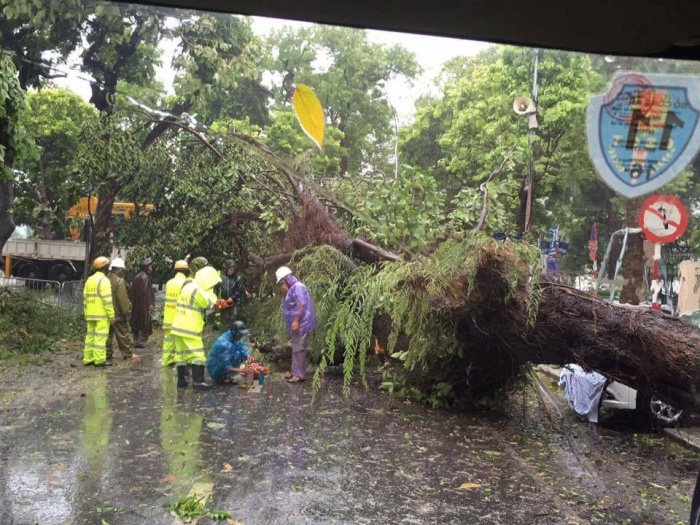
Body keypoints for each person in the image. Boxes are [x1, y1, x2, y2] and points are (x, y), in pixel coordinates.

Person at [171, 265, 222, 389]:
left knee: (181, 355)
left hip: (178, 325)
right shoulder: (197, 289)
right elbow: (208, 303)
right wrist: (213, 295)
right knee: (198, 354)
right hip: (189, 327)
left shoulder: (188, 286)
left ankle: (181, 382)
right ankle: (198, 382)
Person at [275, 266, 316, 383]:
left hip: (301, 323)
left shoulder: (298, 287)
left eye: (281, 282)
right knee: (295, 347)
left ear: (286, 279)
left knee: (298, 349)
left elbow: (301, 304)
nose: (281, 285)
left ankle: (299, 375)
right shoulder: (292, 288)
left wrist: (296, 321)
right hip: (296, 323)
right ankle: (295, 371)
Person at [83, 256, 116, 367]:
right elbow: (107, 300)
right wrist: (111, 316)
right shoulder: (104, 281)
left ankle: (88, 358)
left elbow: (85, 299)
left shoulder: (89, 280)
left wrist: (86, 313)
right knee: (100, 338)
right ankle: (100, 360)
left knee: (90, 337)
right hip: (101, 315)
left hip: (90, 314)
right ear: (105, 267)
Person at [107, 258, 138, 362]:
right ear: (120, 269)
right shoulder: (119, 281)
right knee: (123, 334)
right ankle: (128, 354)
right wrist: (127, 312)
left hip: (108, 312)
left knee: (108, 335)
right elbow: (123, 300)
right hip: (118, 313)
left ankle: (108, 353)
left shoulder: (107, 279)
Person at [206, 320, 253, 385]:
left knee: (238, 353)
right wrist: (242, 370)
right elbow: (224, 366)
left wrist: (247, 355)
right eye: (240, 334)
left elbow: (242, 348)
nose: (241, 336)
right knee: (236, 355)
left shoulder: (235, 338)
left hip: (224, 364)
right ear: (234, 332)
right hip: (215, 369)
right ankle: (222, 377)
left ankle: (230, 375)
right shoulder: (223, 344)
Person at [161, 260, 190, 367]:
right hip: (181, 317)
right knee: (182, 340)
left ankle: (167, 360)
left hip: (169, 317)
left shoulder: (169, 283)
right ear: (186, 271)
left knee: (168, 340)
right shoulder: (187, 283)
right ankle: (183, 362)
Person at [130, 257, 156, 348]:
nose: (151, 268)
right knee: (144, 324)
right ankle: (140, 342)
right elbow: (146, 292)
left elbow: (132, 292)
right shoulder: (145, 277)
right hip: (143, 305)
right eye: (150, 267)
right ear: (146, 267)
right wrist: (150, 304)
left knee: (137, 323)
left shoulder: (137, 277)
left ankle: (136, 340)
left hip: (136, 305)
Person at [218, 260, 250, 327]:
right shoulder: (221, 277)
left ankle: (233, 332)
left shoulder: (237, 278)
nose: (232, 272)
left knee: (233, 318)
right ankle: (223, 331)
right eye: (230, 270)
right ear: (227, 269)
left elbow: (240, 289)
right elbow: (216, 288)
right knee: (224, 318)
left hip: (233, 302)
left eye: (233, 270)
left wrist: (233, 297)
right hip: (223, 301)